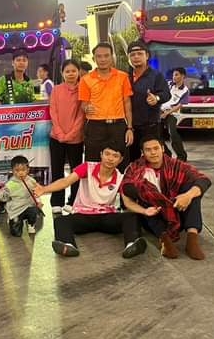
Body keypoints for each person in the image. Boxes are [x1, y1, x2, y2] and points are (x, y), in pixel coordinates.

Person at [38, 147, 144, 260]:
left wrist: (145, 211)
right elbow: (65, 182)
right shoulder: (87, 167)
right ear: (101, 154)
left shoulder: (121, 177)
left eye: (115, 156)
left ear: (121, 159)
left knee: (131, 217)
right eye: (107, 154)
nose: (110, 158)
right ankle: (68, 245)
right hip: (83, 215)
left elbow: (128, 203)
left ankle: (131, 244)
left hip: (106, 216)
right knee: (61, 220)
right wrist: (44, 189)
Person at [121, 136, 211, 259]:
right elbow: (126, 197)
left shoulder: (175, 165)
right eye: (148, 150)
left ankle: (192, 239)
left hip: (176, 210)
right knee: (143, 190)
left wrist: (187, 196)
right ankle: (164, 240)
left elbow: (204, 180)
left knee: (192, 190)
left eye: (156, 148)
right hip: (152, 216)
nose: (153, 152)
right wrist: (145, 211)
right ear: (143, 152)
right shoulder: (134, 168)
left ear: (162, 148)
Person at [78, 44, 134, 160]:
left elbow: (127, 103)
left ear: (112, 57)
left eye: (106, 56)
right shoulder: (85, 80)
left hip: (118, 126)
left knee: (120, 161)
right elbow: (83, 104)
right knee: (93, 162)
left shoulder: (123, 77)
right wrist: (86, 108)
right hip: (95, 126)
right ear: (94, 59)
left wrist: (129, 128)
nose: (103, 59)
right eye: (99, 56)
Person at [48, 60, 85, 207]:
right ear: (62, 73)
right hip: (56, 137)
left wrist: (70, 135)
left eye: (73, 71)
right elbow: (53, 112)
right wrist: (59, 133)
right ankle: (57, 202)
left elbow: (81, 115)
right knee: (57, 170)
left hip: (76, 139)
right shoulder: (56, 90)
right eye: (67, 71)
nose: (70, 74)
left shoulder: (83, 89)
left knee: (75, 172)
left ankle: (74, 201)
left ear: (78, 72)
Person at [126, 42, 171, 157]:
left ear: (147, 56)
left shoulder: (156, 75)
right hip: (130, 127)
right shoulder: (125, 77)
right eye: (132, 55)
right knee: (132, 158)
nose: (136, 57)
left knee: (154, 157)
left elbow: (166, 94)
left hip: (150, 126)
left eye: (139, 54)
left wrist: (156, 98)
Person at [0, 155, 43, 237]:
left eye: (23, 170)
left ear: (28, 170)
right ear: (12, 171)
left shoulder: (31, 181)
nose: (20, 173)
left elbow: (36, 193)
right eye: (17, 170)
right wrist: (2, 194)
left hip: (29, 206)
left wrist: (39, 202)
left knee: (34, 211)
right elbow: (3, 198)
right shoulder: (9, 184)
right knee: (16, 234)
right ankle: (13, 220)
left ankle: (31, 224)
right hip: (16, 210)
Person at [160, 67, 190, 160]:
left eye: (176, 75)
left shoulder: (185, 90)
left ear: (183, 76)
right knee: (157, 135)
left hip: (172, 114)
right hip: (160, 112)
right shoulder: (168, 84)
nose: (174, 77)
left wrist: (167, 113)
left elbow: (179, 106)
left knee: (172, 133)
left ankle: (181, 156)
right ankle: (167, 154)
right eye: (173, 75)